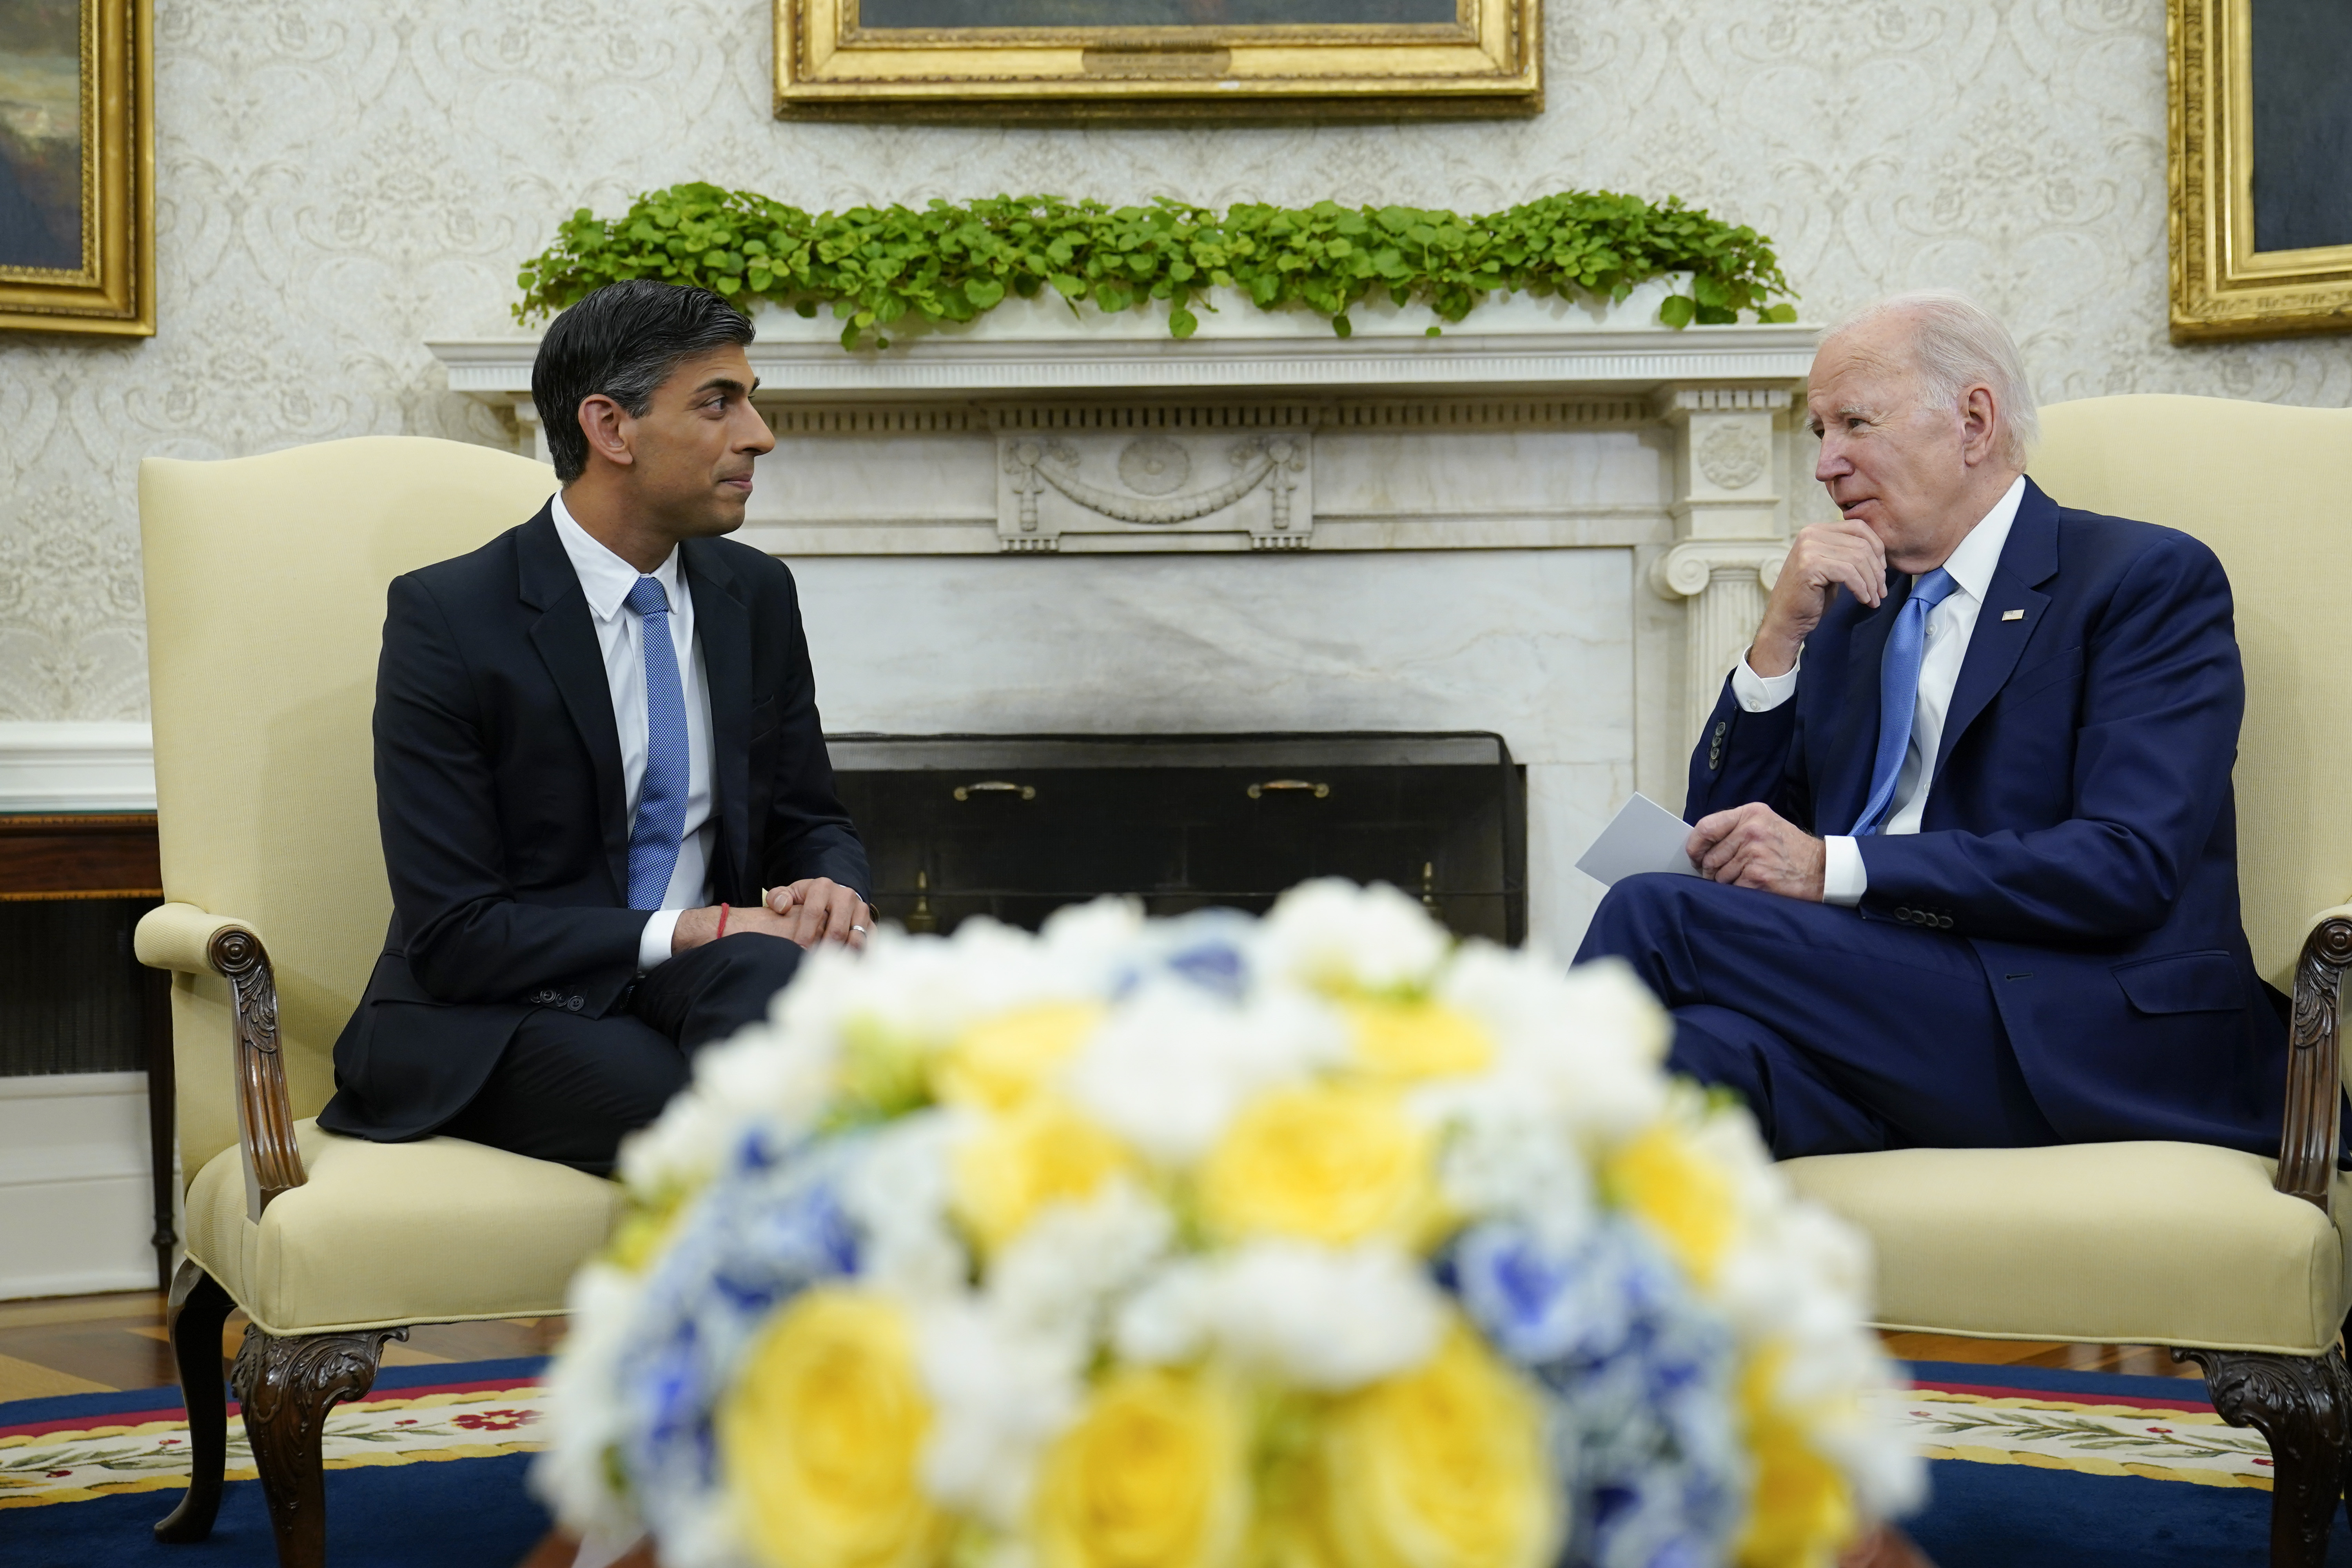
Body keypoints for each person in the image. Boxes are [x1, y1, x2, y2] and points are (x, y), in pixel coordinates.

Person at [1576, 290, 2286, 1160]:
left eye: (1855, 424)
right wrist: (1777, 643)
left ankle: (1446, 1227)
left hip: (2066, 1023)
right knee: (1676, 1062)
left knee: (1654, 916)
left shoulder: (2142, 580)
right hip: (1876, 1027)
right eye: (1818, 433)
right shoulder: (1848, 618)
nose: (1826, 465)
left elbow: (2126, 863)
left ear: (1974, 422)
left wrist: (1831, 864)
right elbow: (1717, 847)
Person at [319, 280, 873, 1172]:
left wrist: (828, 887)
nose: (759, 435)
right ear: (611, 429)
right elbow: (456, 932)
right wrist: (695, 929)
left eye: (752, 400)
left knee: (789, 1002)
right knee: (753, 1116)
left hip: (709, 989)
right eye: (718, 403)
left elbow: (811, 817)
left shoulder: (755, 594)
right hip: (498, 1012)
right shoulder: (451, 616)